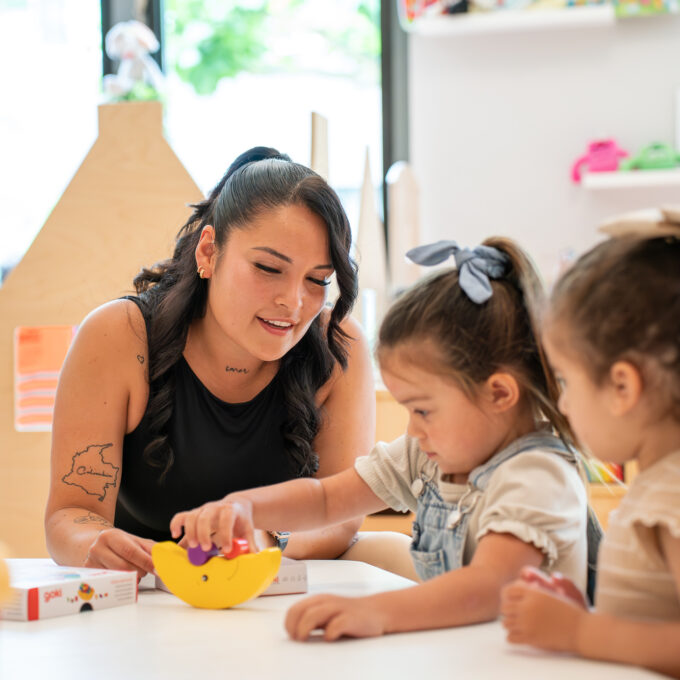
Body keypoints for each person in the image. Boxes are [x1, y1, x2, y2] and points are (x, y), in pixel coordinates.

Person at [171, 237, 591, 641]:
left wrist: (376, 611)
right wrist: (245, 506)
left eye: (423, 410)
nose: (413, 430)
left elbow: (487, 588)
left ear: (498, 394)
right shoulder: (429, 452)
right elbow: (326, 500)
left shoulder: (537, 476)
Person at [44, 147, 376, 578]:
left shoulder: (337, 346)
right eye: (268, 268)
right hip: (141, 593)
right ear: (208, 252)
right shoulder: (119, 336)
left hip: (271, 592)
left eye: (317, 279)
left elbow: (341, 518)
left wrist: (262, 542)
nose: (294, 302)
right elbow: (70, 514)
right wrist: (92, 543)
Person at [501, 234, 680, 679]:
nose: (562, 404)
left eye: (566, 380)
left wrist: (579, 631)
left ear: (622, 387)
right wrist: (586, 615)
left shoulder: (671, 495)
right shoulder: (659, 483)